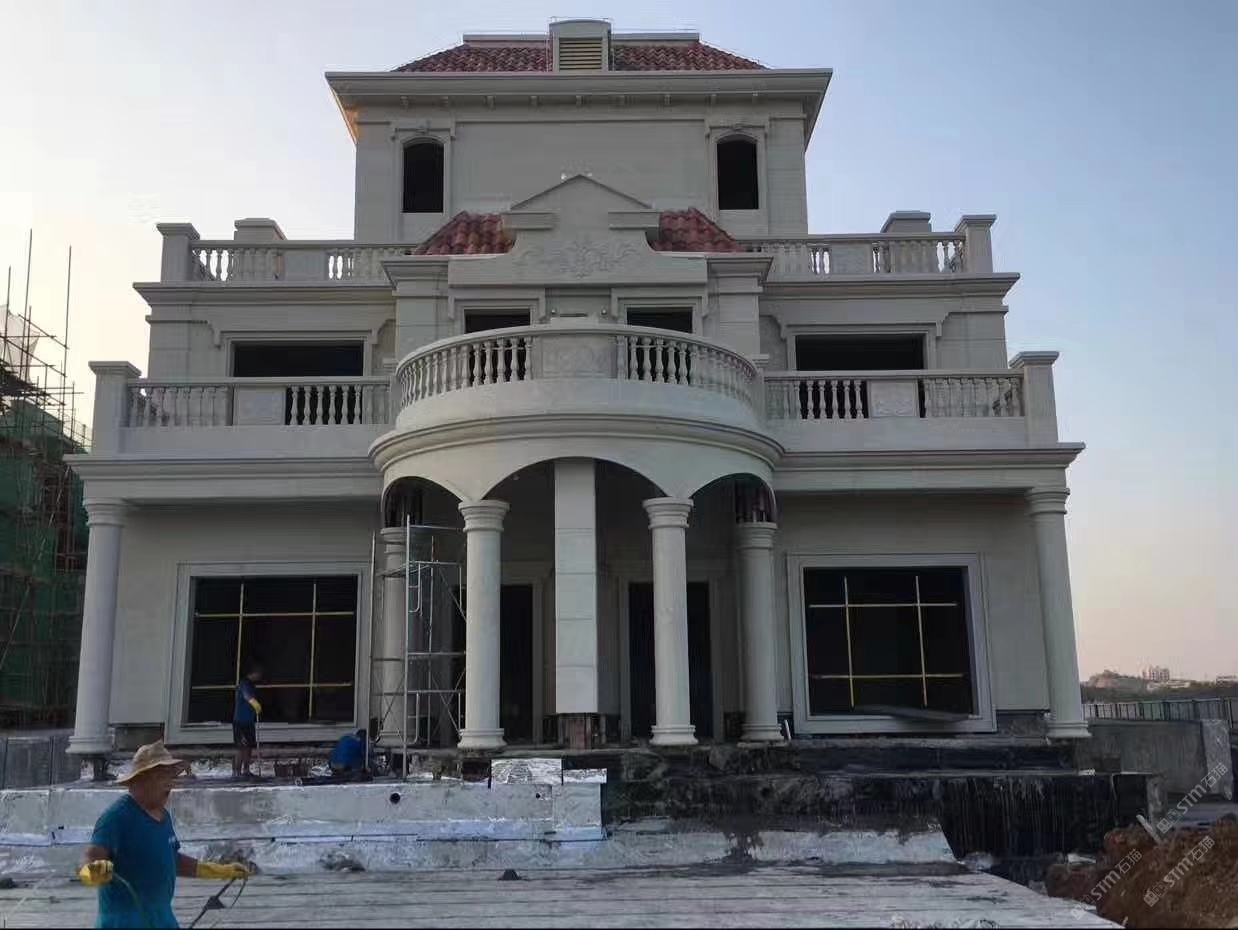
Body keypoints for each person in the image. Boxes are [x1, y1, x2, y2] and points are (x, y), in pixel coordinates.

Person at [78, 741, 250, 928]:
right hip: (124, 921)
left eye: (172, 775)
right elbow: (91, 856)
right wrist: (91, 871)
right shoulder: (117, 817)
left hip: (161, 918)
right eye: (162, 775)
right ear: (141, 779)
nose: (170, 783)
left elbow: (170, 859)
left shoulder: (163, 817)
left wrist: (219, 870)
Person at [232, 663, 262, 778]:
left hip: (249, 721)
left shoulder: (252, 685)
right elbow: (246, 696)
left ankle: (246, 770)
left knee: (249, 747)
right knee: (241, 747)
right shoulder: (244, 683)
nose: (259, 676)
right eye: (258, 673)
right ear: (254, 673)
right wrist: (254, 703)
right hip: (240, 721)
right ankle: (236, 772)